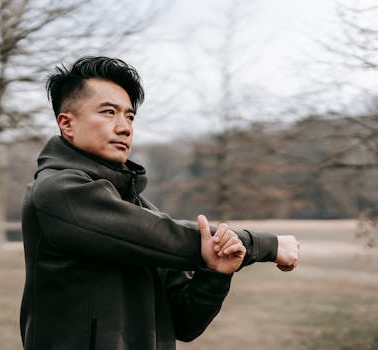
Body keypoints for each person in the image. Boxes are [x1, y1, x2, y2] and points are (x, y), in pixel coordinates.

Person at [20, 56, 299, 350]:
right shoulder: (57, 190)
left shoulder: (140, 209)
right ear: (67, 124)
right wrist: (265, 245)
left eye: (129, 116)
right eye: (108, 112)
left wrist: (215, 273)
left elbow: (185, 323)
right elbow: (168, 237)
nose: (124, 127)